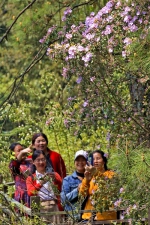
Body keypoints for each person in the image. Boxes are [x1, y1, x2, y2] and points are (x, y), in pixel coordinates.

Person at [79, 150, 117, 221]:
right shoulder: (90, 175)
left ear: (104, 161)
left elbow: (107, 184)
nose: (95, 161)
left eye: (98, 158)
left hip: (106, 217)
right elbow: (82, 194)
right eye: (93, 159)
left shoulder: (111, 174)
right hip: (89, 217)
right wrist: (87, 180)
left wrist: (96, 173)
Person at [26, 150, 62, 223]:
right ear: (33, 162)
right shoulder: (31, 178)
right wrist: (41, 183)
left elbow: (61, 189)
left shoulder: (54, 174)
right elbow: (30, 193)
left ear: (46, 160)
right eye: (38, 160)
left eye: (43, 159)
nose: (41, 162)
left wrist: (55, 180)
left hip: (54, 205)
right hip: (39, 207)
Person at [61, 150, 88, 214]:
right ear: (74, 162)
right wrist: (77, 190)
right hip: (75, 216)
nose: (80, 162)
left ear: (87, 162)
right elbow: (63, 200)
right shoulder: (67, 180)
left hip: (91, 216)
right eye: (77, 160)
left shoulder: (92, 178)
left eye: (83, 160)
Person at [9, 143, 32, 207]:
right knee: (23, 215)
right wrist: (22, 152)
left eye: (22, 149)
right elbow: (15, 166)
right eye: (19, 150)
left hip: (33, 193)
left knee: (36, 214)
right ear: (13, 154)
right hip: (22, 195)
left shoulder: (30, 161)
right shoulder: (12, 164)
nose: (22, 151)